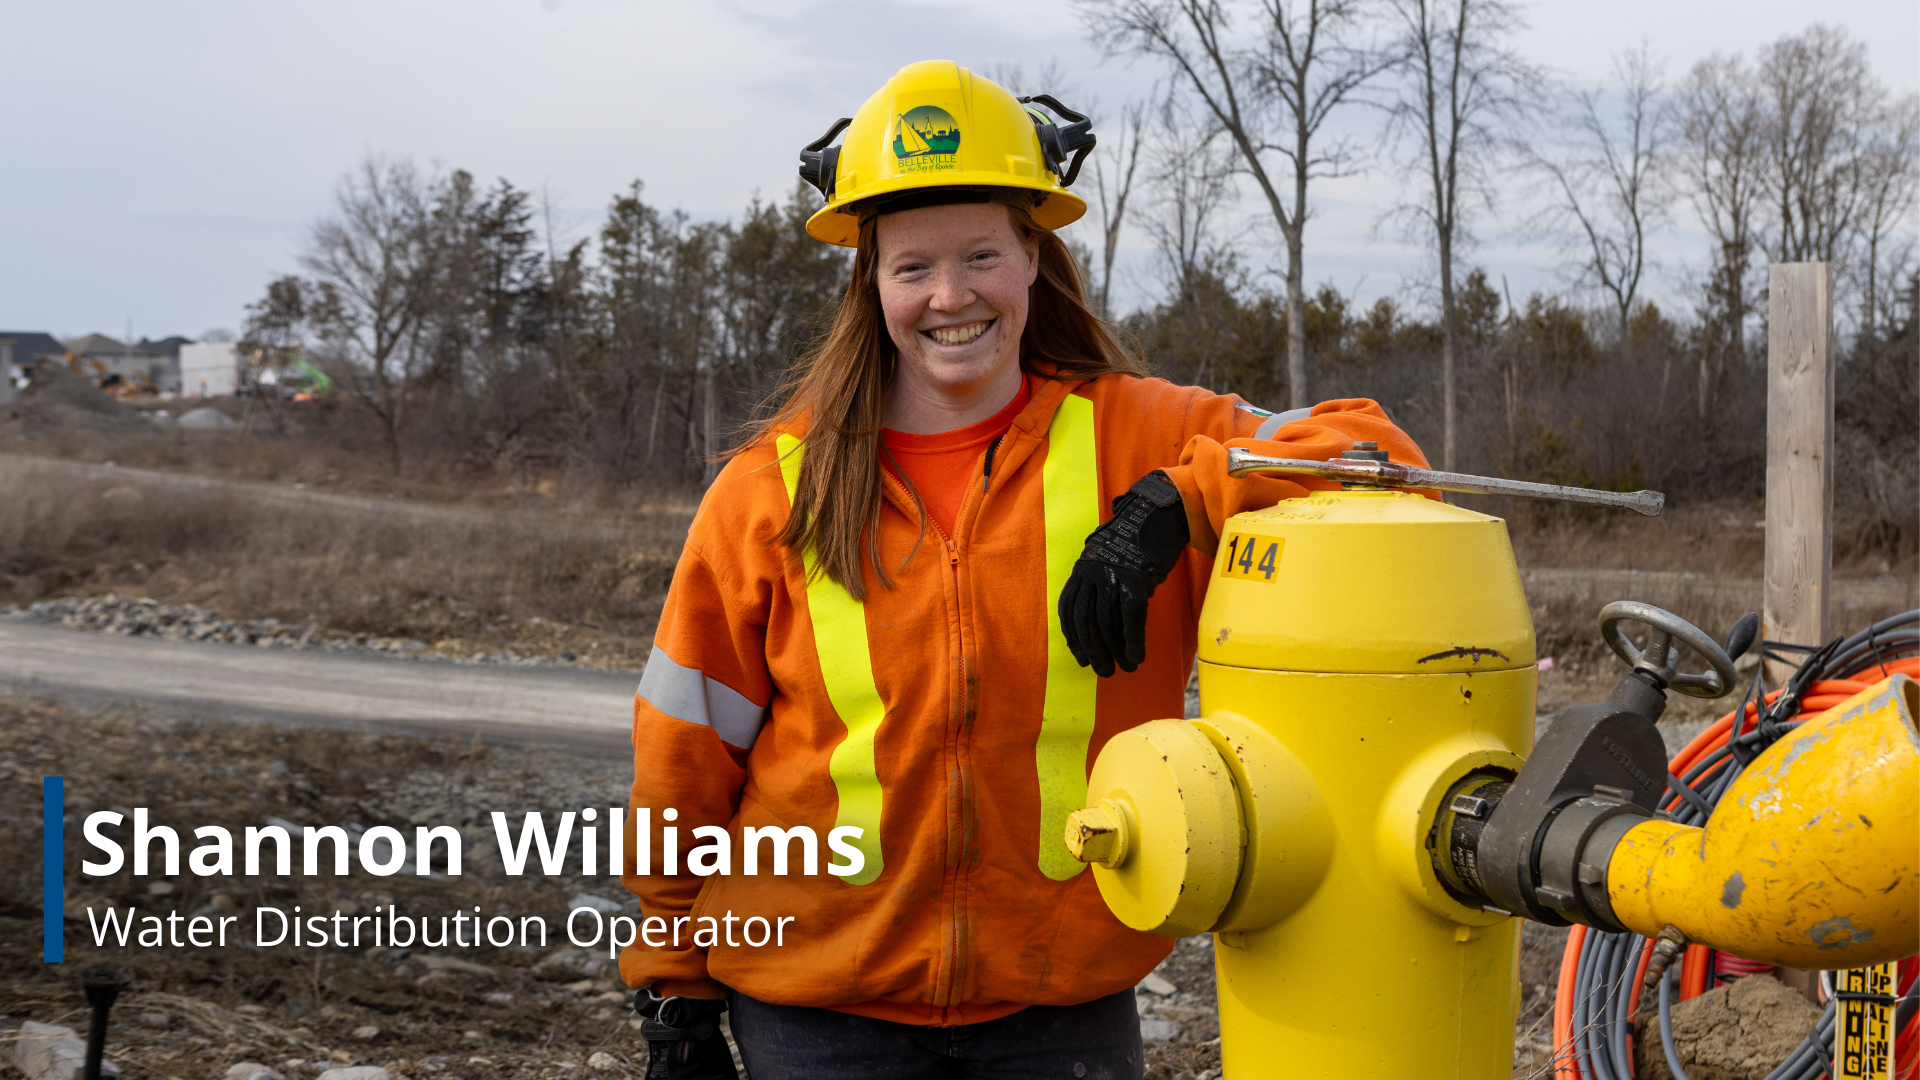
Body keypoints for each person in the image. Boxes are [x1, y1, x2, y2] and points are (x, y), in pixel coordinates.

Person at [621, 61, 1431, 1079]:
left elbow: (1384, 457)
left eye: (981, 257)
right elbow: (684, 759)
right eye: (912, 268)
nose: (949, 296)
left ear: (1033, 262)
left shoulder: (1141, 435)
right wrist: (674, 985)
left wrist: (1180, 501)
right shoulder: (768, 490)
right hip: (814, 1010)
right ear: (869, 284)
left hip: (1063, 1006)